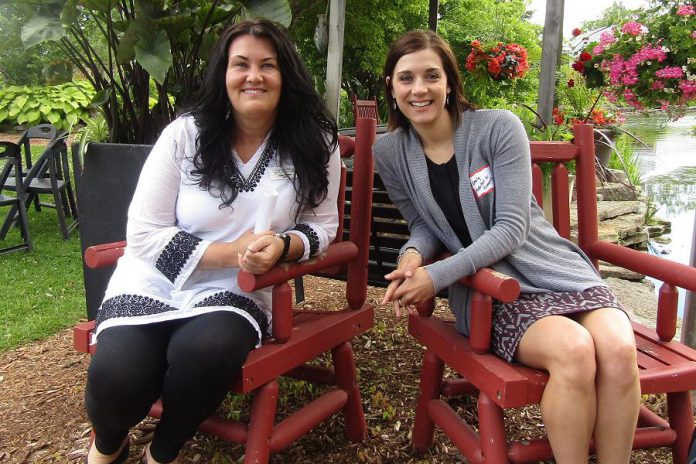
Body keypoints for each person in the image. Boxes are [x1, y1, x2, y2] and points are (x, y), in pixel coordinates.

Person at [375, 30, 640, 464]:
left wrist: (435, 276)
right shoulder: (390, 151)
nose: (418, 89)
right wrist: (412, 255)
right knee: (574, 351)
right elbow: (424, 224)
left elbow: (512, 228)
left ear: (449, 82)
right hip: (492, 291)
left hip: (555, 270)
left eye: (430, 76)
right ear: (391, 85)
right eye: (405, 78)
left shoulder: (497, 128)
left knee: (618, 348)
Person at [84, 19, 341, 464]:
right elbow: (143, 233)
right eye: (241, 64)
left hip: (233, 291)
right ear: (223, 73)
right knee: (117, 382)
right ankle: (109, 445)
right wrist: (230, 252)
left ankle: (161, 453)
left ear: (287, 75)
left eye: (268, 65)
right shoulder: (185, 135)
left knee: (206, 354)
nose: (254, 76)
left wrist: (285, 246)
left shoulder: (314, 142)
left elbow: (323, 224)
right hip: (154, 279)